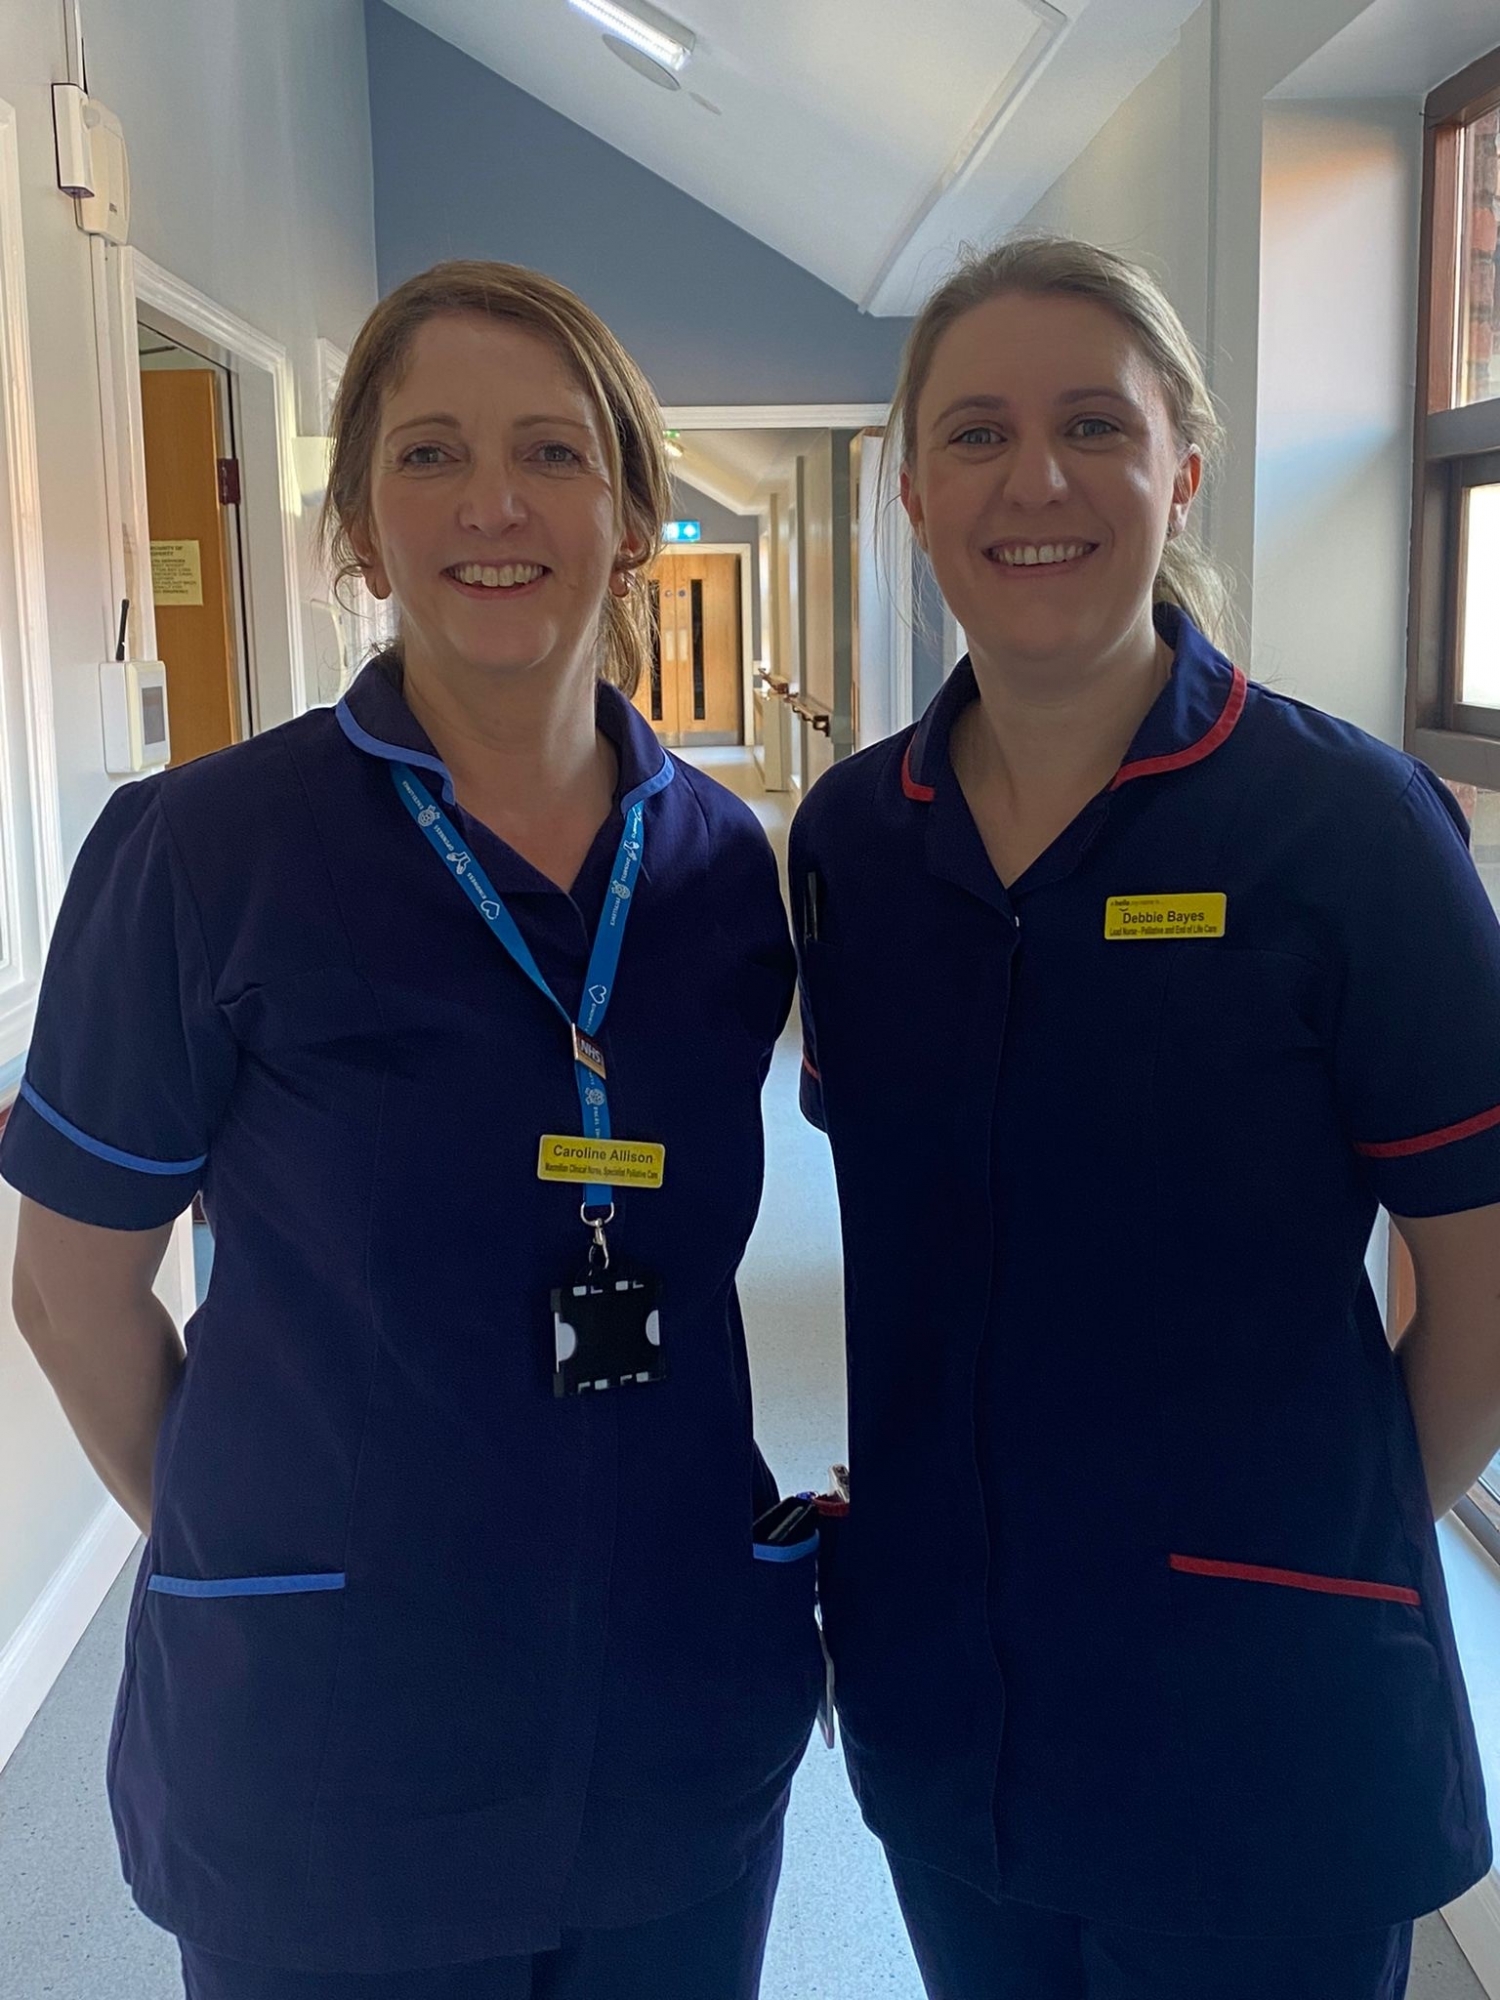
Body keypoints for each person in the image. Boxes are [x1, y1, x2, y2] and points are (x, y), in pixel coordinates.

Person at [3, 260, 823, 1999]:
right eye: (431, 455)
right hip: (332, 1743)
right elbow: (73, 1296)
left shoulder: (717, 872)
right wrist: (256, 1546)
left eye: (551, 452)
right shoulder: (200, 855)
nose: (495, 504)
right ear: (362, 527)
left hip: (670, 1700)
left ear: (634, 512)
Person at [790, 235, 1500, 2000]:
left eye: (1093, 424)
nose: (1034, 479)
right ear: (913, 493)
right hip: (957, 1697)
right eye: (976, 433)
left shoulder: (1349, 834)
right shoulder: (854, 848)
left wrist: (1300, 1547)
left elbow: (1484, 1285)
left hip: (1266, 1718)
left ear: (1183, 467)